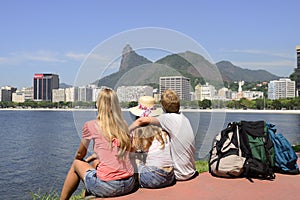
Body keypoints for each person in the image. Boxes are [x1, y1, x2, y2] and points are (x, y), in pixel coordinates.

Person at [60, 88, 136, 200]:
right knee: (96, 162)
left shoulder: (90, 125)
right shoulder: (124, 125)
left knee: (76, 163)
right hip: (129, 183)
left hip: (108, 187)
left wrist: (81, 160)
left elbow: (80, 153)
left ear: (98, 105)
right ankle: (85, 196)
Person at [129, 89, 197, 181]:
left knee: (136, 162)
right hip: (190, 171)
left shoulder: (167, 119)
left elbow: (142, 120)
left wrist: (125, 131)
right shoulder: (184, 119)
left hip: (178, 174)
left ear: (163, 107)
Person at [129, 96, 175, 188]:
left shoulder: (139, 133)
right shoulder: (162, 131)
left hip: (153, 177)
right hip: (169, 176)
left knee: (134, 160)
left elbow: (131, 153)